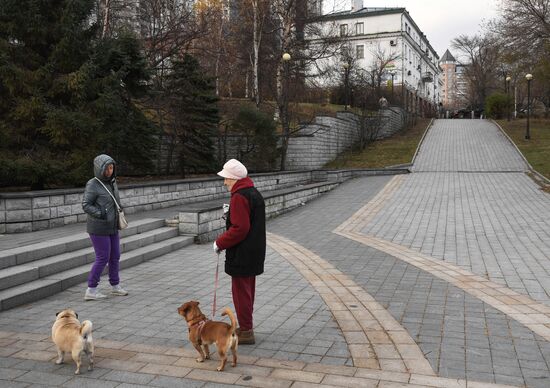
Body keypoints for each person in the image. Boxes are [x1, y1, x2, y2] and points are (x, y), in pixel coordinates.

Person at [213, 159, 266, 345]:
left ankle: (246, 330)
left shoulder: (239, 196)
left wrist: (219, 242)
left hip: (243, 254)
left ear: (234, 178)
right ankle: (246, 326)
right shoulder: (252, 192)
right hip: (254, 251)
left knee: (241, 293)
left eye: (226, 178)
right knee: (247, 291)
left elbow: (240, 228)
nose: (224, 182)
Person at [81, 154, 128, 301]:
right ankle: (91, 289)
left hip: (112, 226)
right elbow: (86, 205)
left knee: (115, 256)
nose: (109, 170)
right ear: (99, 169)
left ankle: (115, 286)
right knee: (102, 258)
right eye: (107, 168)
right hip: (98, 227)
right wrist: (101, 213)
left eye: (111, 167)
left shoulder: (112, 182)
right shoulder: (92, 184)